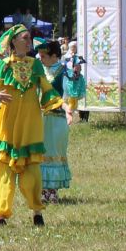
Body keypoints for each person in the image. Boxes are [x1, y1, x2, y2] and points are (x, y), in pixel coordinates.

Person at [0, 24, 53, 227]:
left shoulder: (35, 64)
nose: (29, 42)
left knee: (32, 169)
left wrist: (53, 102)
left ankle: (37, 212)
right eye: (25, 38)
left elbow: (45, 87)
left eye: (30, 38)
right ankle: (0, 215)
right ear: (13, 42)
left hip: (29, 124)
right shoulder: (2, 65)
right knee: (4, 170)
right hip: (6, 124)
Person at [37, 38, 83, 203]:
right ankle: (42, 190)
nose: (40, 58)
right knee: (40, 152)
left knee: (55, 152)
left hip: (57, 117)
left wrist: (76, 73)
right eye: (40, 55)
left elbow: (74, 91)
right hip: (40, 117)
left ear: (55, 55)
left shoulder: (64, 71)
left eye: (44, 55)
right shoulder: (39, 70)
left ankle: (53, 191)